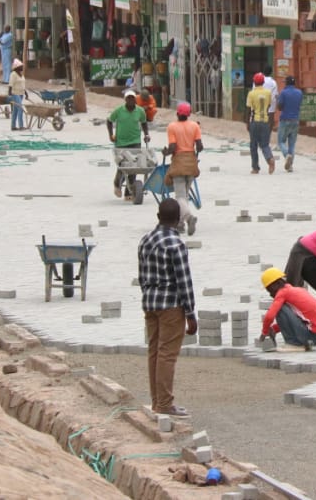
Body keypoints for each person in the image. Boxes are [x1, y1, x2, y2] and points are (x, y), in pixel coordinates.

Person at [137, 198, 198, 417]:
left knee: (154, 351)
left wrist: (148, 295)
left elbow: (142, 275)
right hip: (171, 304)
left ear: (158, 217)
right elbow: (184, 280)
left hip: (150, 302)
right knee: (167, 355)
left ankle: (157, 401)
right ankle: (164, 404)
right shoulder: (175, 243)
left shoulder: (146, 240)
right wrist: (190, 313)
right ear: (179, 220)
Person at [258, 267, 316, 351]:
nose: (270, 293)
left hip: (310, 336)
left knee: (280, 308)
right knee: (282, 308)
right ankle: (300, 343)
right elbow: (296, 319)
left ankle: (293, 343)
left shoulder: (282, 293)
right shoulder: (296, 290)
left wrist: (264, 332)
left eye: (269, 290)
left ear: (275, 284)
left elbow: (269, 316)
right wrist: (274, 329)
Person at [164, 101, 203, 236]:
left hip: (179, 162)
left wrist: (166, 152)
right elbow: (199, 146)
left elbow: (173, 147)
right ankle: (180, 224)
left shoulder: (172, 127)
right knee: (185, 195)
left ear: (177, 113)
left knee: (180, 196)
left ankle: (189, 218)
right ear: (189, 114)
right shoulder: (195, 126)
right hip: (191, 162)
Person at [108, 89, 150, 201]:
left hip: (135, 141)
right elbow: (109, 120)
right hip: (121, 143)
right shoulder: (119, 111)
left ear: (135, 99)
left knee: (134, 167)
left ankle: (128, 192)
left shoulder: (140, 111)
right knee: (123, 165)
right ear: (125, 100)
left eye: (133, 98)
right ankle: (117, 183)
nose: (131, 100)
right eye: (129, 98)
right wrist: (111, 135)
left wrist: (146, 134)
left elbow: (144, 123)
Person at [246, 72, 275, 174]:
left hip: (255, 121)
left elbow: (249, 110)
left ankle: (255, 168)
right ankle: (270, 159)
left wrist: (247, 123)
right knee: (265, 144)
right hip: (265, 121)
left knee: (253, 145)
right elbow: (268, 107)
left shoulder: (251, 93)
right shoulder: (268, 93)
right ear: (263, 82)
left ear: (254, 81)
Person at [276, 75, 303, 172]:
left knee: (281, 141)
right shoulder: (299, 92)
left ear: (287, 83)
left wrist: (277, 100)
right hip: (295, 120)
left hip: (285, 119)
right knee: (292, 144)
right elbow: (299, 105)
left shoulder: (283, 92)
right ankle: (290, 166)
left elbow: (280, 107)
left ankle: (287, 155)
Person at [7, 59, 27, 130]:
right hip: (15, 94)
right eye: (21, 66)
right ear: (17, 67)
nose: (22, 67)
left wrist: (26, 93)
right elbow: (10, 85)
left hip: (21, 93)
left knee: (15, 110)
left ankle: (13, 126)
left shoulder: (21, 74)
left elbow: (23, 85)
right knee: (20, 108)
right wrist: (9, 94)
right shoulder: (13, 74)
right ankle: (21, 126)